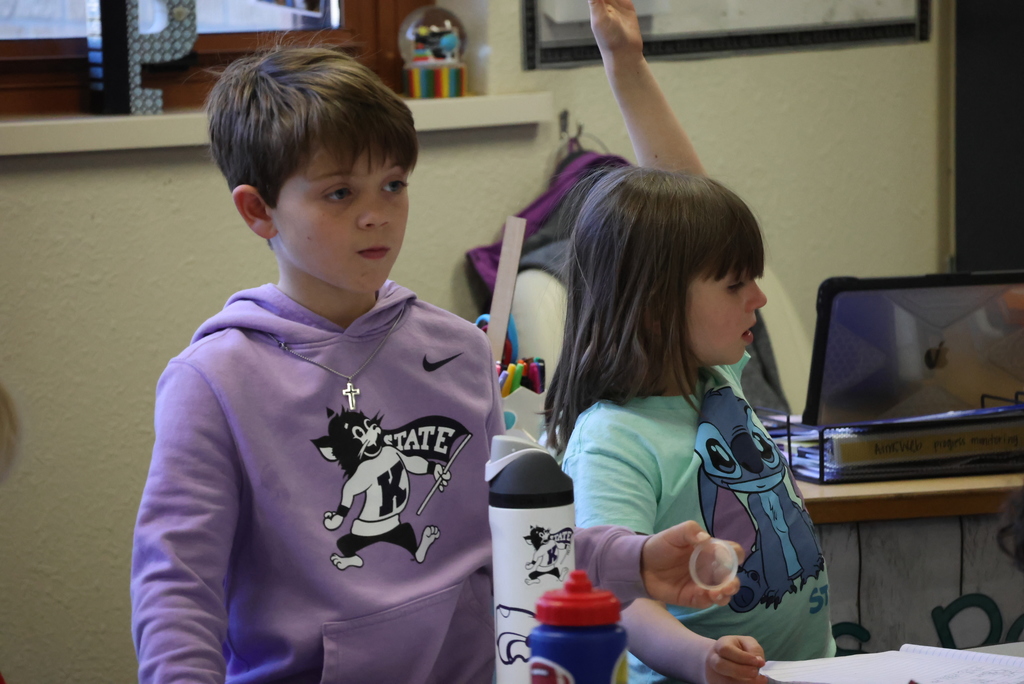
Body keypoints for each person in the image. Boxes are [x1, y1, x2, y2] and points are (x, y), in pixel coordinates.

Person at [130, 44, 742, 684]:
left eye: (393, 184)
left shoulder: (456, 350)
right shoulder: (213, 381)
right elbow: (176, 582)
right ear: (258, 211)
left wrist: (635, 561)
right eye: (339, 193)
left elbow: (504, 533)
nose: (377, 214)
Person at [545, 2, 837, 683]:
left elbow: (687, 196)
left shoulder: (713, 383)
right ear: (656, 310)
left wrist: (627, 65)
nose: (759, 302)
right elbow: (615, 594)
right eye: (737, 285)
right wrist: (700, 658)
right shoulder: (614, 439)